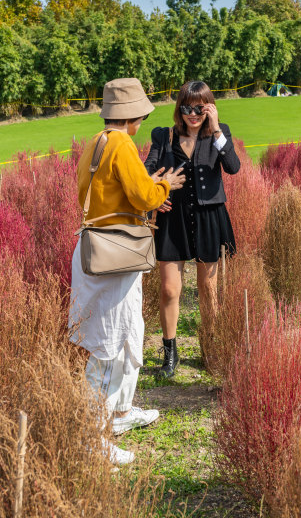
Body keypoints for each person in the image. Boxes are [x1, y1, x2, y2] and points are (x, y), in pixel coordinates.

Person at [69, 78, 185, 465]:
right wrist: (164, 185)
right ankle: (89, 439)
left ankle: (118, 413)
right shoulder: (122, 143)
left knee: (124, 331)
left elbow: (107, 191)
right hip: (113, 253)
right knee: (109, 340)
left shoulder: (98, 142)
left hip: (101, 247)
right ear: (134, 114)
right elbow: (142, 196)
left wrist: (148, 185)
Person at [144, 80, 240, 378]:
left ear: (209, 107)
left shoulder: (218, 133)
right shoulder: (163, 136)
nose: (193, 114)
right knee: (170, 288)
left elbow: (233, 167)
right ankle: (170, 355)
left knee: (208, 287)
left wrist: (216, 129)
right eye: (187, 108)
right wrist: (155, 195)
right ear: (179, 109)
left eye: (199, 108)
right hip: (172, 220)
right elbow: (147, 171)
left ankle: (210, 349)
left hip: (209, 217)